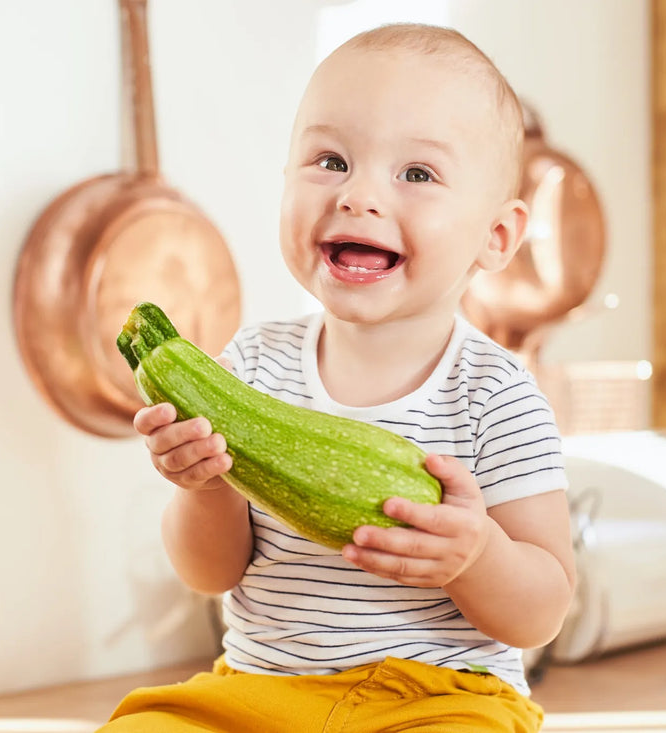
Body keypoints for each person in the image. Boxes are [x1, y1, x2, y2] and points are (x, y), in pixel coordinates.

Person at [100, 22, 575, 733]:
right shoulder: (250, 367)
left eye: (416, 174)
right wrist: (204, 491)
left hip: (437, 698)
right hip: (260, 692)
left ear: (496, 236)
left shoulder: (496, 394)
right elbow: (211, 574)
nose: (359, 195)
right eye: (330, 160)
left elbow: (543, 608)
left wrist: (476, 554)